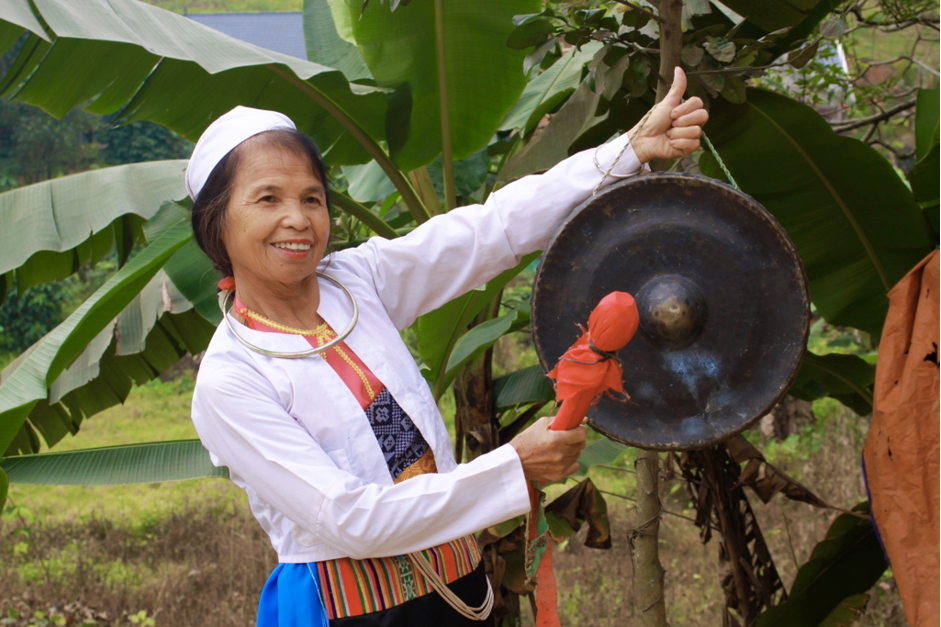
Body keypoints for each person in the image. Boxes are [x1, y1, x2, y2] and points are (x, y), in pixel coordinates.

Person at [188, 67, 708, 626]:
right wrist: (513, 467)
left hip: (462, 589)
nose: (297, 218)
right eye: (267, 199)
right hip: (349, 612)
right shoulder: (230, 378)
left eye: (311, 197)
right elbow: (348, 520)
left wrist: (628, 151)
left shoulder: (357, 281)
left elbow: (493, 230)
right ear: (216, 225)